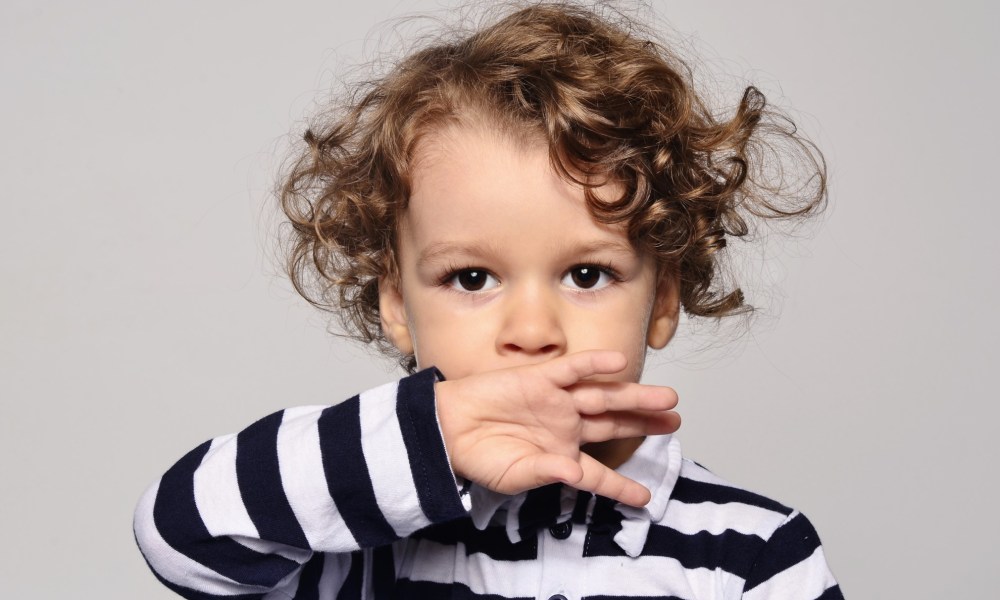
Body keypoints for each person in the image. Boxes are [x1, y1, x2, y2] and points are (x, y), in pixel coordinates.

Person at [133, 3, 843, 599]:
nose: (531, 332)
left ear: (663, 298)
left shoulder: (758, 558)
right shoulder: (348, 535)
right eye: (472, 279)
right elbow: (179, 533)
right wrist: (428, 439)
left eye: (587, 275)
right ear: (395, 302)